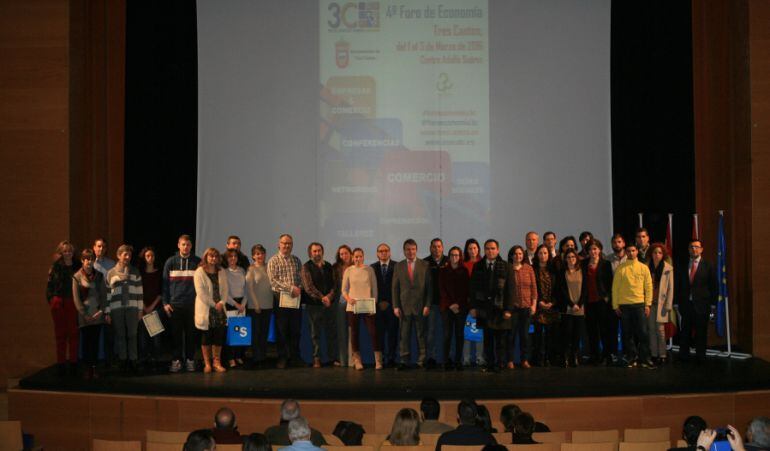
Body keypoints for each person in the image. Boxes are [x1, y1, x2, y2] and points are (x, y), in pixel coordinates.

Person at [470, 239, 514, 372]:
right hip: (484, 309)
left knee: (501, 340)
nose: (490, 251)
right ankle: (489, 364)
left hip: (501, 309)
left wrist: (508, 309)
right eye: (488, 248)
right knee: (487, 340)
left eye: (493, 248)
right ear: (484, 250)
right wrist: (473, 307)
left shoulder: (506, 266)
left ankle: (500, 364)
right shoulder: (478, 266)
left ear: (498, 250)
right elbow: (472, 289)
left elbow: (511, 289)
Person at [612, 243, 654, 368]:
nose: (631, 253)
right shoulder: (621, 268)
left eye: (633, 250)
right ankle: (631, 357)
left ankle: (645, 358)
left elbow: (649, 287)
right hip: (624, 306)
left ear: (637, 252)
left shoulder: (643, 268)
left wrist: (648, 304)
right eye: (629, 251)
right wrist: (615, 306)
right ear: (626, 252)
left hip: (640, 305)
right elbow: (615, 288)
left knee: (643, 333)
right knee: (627, 334)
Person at [163, 234, 201, 373]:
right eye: (183, 244)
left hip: (192, 306)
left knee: (191, 335)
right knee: (176, 336)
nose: (186, 247)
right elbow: (165, 285)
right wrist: (165, 303)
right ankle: (176, 360)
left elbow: (202, 285)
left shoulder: (198, 262)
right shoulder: (170, 262)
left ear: (191, 246)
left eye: (188, 244)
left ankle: (190, 360)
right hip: (175, 305)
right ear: (178, 245)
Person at [393, 239, 432, 370]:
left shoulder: (425, 265)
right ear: (404, 251)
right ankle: (404, 361)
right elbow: (395, 288)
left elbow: (429, 288)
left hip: (421, 307)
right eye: (408, 249)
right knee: (404, 336)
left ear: (416, 250)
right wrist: (396, 306)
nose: (410, 252)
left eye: (413, 249)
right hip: (403, 307)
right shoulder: (398, 266)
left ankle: (421, 361)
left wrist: (427, 305)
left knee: (421, 335)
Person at [677, 239, 717, 364]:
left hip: (702, 305)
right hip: (686, 305)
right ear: (688, 249)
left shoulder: (708, 265)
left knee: (701, 332)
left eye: (696, 247)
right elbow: (678, 285)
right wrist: (677, 302)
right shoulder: (682, 265)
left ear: (701, 249)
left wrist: (713, 305)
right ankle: (684, 356)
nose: (694, 249)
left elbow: (714, 286)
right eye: (691, 247)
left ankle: (701, 356)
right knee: (685, 332)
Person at [267, 234, 304, 369]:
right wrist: (291, 288)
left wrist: (299, 288)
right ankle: (282, 357)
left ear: (292, 245)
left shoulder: (297, 260)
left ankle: (295, 357)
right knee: (282, 329)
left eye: (289, 243)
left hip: (295, 298)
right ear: (279, 245)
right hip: (280, 298)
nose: (287, 245)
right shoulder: (273, 260)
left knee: (295, 329)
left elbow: (301, 278)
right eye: (284, 243)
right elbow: (273, 280)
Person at [106, 244, 143, 373]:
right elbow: (107, 294)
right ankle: (123, 360)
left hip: (132, 308)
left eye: (129, 255)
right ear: (118, 256)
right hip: (117, 308)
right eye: (125, 255)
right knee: (120, 335)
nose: (127, 257)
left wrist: (140, 310)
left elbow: (139, 292)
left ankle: (133, 360)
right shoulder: (111, 272)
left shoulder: (135, 271)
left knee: (133, 334)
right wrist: (107, 312)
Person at [342, 248, 380, 370]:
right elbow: (344, 290)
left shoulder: (369, 270)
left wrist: (373, 304)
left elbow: (374, 289)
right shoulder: (348, 270)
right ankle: (357, 361)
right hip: (352, 306)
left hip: (368, 306)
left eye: (360, 256)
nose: (358, 259)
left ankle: (378, 360)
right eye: (356, 257)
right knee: (354, 333)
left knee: (373, 332)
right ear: (353, 258)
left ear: (363, 257)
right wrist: (348, 299)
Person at [46, 240, 80, 376]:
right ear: (61, 252)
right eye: (65, 251)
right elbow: (49, 286)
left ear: (73, 252)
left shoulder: (78, 266)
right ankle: (60, 363)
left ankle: (73, 363)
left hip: (73, 302)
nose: (67, 253)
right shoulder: (55, 267)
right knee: (60, 334)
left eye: (70, 251)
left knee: (73, 333)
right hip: (59, 303)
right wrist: (52, 300)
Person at [72, 248, 107, 379]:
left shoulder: (99, 275)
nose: (89, 262)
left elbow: (104, 296)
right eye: (86, 259)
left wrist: (101, 311)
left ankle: (94, 368)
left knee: (95, 342)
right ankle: (87, 369)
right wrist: (84, 314)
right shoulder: (76, 277)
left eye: (91, 259)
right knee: (86, 343)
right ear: (82, 260)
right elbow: (76, 299)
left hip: (97, 314)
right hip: (84, 316)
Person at [301, 242, 337, 368]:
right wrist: (323, 298)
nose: (317, 253)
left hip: (329, 305)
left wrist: (329, 297)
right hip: (314, 306)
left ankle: (332, 358)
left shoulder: (328, 266)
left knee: (331, 332)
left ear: (322, 251)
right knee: (315, 334)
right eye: (314, 251)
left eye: (319, 250)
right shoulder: (306, 267)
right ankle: (316, 358)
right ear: (310, 253)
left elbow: (334, 285)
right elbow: (308, 287)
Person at [194, 247, 229, 373]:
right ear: (206, 257)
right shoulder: (199, 272)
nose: (213, 258)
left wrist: (221, 302)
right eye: (210, 256)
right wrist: (214, 304)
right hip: (206, 309)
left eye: (215, 256)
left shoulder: (222, 271)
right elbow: (201, 293)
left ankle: (216, 363)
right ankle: (207, 363)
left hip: (220, 309)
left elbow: (225, 290)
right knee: (206, 338)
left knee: (218, 337)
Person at [582, 239, 616, 365]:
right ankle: (594, 355)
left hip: (602, 302)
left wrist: (607, 296)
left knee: (604, 330)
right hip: (588, 302)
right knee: (591, 331)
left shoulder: (606, 264)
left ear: (600, 250)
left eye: (595, 249)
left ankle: (607, 355)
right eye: (590, 249)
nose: (593, 251)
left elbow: (610, 282)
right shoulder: (583, 264)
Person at [439, 246, 469, 371]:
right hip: (447, 307)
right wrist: (451, 304)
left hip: (461, 308)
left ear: (460, 256)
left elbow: (466, 290)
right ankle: (445, 361)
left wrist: (458, 304)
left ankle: (458, 361)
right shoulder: (443, 271)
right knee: (447, 335)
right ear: (449, 256)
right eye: (452, 255)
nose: (454, 257)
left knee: (459, 335)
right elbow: (442, 290)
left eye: (457, 255)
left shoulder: (464, 271)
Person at [507, 245, 537, 369]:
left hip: (526, 308)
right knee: (511, 336)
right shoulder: (508, 269)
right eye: (515, 253)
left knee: (524, 336)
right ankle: (510, 360)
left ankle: (524, 360)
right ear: (511, 255)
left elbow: (534, 288)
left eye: (520, 253)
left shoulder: (528, 268)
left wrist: (534, 305)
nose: (518, 256)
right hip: (513, 308)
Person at [555, 249, 585, 367]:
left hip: (580, 308)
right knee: (567, 334)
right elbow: (561, 290)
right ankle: (565, 357)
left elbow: (585, 290)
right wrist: (572, 304)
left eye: (573, 257)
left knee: (577, 334)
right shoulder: (562, 272)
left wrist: (579, 304)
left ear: (576, 258)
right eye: (568, 257)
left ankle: (575, 356)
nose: (571, 259)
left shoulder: (582, 270)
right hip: (567, 307)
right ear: (565, 259)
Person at [246, 244, 273, 367]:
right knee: (256, 333)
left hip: (268, 305)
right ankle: (256, 357)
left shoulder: (269, 267)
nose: (260, 256)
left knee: (264, 333)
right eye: (257, 254)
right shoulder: (250, 269)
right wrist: (256, 305)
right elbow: (249, 289)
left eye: (261, 253)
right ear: (253, 256)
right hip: (255, 307)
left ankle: (263, 356)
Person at [647, 243, 674, 364]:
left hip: (661, 304)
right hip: (649, 303)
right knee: (651, 329)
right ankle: (653, 354)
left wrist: (668, 305)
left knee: (660, 330)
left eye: (659, 253)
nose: (657, 255)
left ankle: (662, 354)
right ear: (651, 254)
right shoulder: (646, 267)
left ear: (663, 255)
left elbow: (671, 289)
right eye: (654, 252)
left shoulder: (668, 268)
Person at [372, 243, 398, 368]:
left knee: (393, 334)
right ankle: (380, 359)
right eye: (381, 251)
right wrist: (379, 302)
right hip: (377, 307)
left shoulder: (397, 266)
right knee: (379, 334)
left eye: (386, 250)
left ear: (390, 252)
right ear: (377, 253)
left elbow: (398, 287)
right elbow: (371, 287)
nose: (383, 253)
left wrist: (389, 302)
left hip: (392, 306)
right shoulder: (372, 268)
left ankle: (392, 358)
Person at [424, 238, 448, 369]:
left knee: (447, 332)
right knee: (430, 332)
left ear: (442, 248)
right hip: (431, 303)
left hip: (446, 303)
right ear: (430, 248)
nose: (437, 249)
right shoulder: (425, 262)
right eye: (434, 246)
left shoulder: (449, 261)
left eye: (439, 246)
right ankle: (431, 357)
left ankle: (446, 357)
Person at [137, 246, 163, 370]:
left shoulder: (159, 272)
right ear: (144, 257)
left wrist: (151, 307)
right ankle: (143, 359)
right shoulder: (140, 273)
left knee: (155, 335)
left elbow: (160, 293)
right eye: (147, 256)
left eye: (152, 255)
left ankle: (155, 359)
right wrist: (144, 307)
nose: (150, 258)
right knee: (143, 335)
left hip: (154, 307)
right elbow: (137, 292)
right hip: (142, 306)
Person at [532, 245, 557, 367]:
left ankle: (549, 358)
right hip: (538, 306)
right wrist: (540, 301)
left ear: (549, 254)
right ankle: (538, 359)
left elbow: (558, 288)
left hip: (552, 306)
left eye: (545, 253)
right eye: (540, 253)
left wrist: (552, 302)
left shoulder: (554, 269)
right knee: (537, 335)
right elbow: (532, 288)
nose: (543, 255)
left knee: (550, 335)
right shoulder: (533, 269)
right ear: (537, 255)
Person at [93, 238, 117, 367]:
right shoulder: (89, 263)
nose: (101, 249)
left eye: (103, 247)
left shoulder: (111, 264)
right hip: (94, 303)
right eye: (99, 246)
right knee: (94, 334)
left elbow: (114, 286)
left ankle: (109, 362)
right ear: (94, 248)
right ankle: (95, 363)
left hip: (108, 302)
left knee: (109, 334)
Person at [462, 239, 485, 368]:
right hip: (467, 304)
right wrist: (470, 305)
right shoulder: (463, 265)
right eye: (470, 248)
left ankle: (480, 358)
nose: (472, 251)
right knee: (467, 333)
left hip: (481, 305)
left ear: (478, 249)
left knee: (480, 333)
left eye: (475, 248)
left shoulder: (483, 264)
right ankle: (465, 359)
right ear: (466, 250)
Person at [224, 249, 248, 368]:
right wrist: (236, 304)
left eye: (235, 256)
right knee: (231, 334)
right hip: (230, 305)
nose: (233, 258)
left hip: (242, 306)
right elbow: (225, 293)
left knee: (240, 333)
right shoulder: (224, 272)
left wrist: (243, 304)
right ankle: (230, 358)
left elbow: (246, 289)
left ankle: (238, 356)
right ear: (226, 258)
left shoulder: (242, 270)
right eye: (230, 256)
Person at [332, 245, 354, 367]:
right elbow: (334, 286)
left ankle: (352, 360)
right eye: (341, 254)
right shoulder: (335, 268)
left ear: (351, 254)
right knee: (341, 331)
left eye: (346, 253)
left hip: (354, 302)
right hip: (340, 303)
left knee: (352, 332)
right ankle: (342, 359)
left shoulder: (356, 265)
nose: (344, 256)